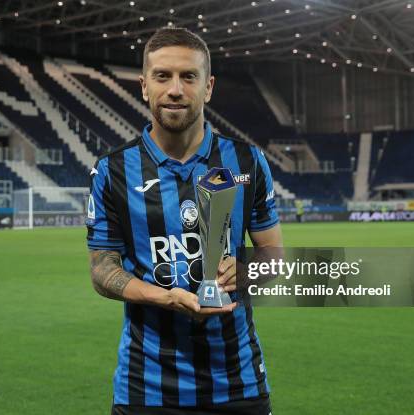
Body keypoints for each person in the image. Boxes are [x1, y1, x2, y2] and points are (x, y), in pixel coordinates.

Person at [87, 27, 282, 415]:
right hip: (146, 387)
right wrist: (166, 297)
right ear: (144, 86)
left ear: (208, 87)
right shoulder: (112, 170)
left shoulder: (248, 162)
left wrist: (246, 273)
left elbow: (272, 256)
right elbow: (101, 268)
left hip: (238, 383)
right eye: (162, 76)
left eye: (188, 76)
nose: (175, 89)